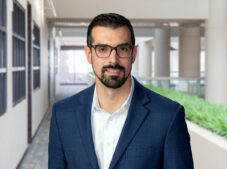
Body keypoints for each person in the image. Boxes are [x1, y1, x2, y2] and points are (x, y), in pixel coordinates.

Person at [48, 13, 194, 169]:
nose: (113, 60)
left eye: (122, 49)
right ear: (89, 54)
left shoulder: (168, 116)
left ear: (134, 54)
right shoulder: (63, 114)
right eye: (102, 49)